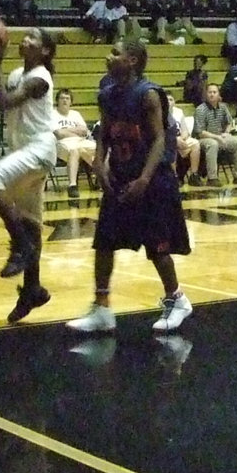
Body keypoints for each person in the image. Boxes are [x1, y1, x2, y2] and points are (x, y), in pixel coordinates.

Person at [67, 39, 194, 334]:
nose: (108, 56)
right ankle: (102, 308)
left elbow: (160, 139)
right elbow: (103, 133)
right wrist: (99, 163)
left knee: (158, 249)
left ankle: (177, 299)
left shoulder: (148, 95)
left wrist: (145, 179)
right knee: (104, 242)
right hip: (121, 178)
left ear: (133, 60)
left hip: (153, 181)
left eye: (115, 52)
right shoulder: (108, 94)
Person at [0, 27, 59, 323]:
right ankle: (33, 288)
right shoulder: (17, 73)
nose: (25, 40)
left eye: (33, 38)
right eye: (26, 36)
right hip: (25, 151)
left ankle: (20, 245)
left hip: (39, 149)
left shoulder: (40, 78)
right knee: (32, 222)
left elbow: (7, 102)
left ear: (44, 50)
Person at [193, 83, 237, 187]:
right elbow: (200, 132)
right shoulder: (200, 109)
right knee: (213, 144)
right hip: (204, 139)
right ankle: (212, 178)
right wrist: (217, 137)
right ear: (206, 94)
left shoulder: (223, 107)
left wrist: (226, 133)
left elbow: (230, 122)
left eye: (214, 92)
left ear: (218, 94)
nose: (212, 94)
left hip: (221, 136)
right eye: (210, 92)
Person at [54, 88, 97, 198]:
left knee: (99, 149)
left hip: (81, 141)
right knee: (74, 150)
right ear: (57, 101)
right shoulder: (52, 114)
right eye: (62, 98)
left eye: (67, 98)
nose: (65, 101)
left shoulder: (75, 114)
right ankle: (72, 185)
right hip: (62, 144)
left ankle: (106, 179)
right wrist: (75, 131)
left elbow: (84, 131)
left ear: (71, 102)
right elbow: (59, 133)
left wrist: (67, 131)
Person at [167, 91, 203, 186]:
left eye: (171, 100)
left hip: (181, 139)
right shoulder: (160, 113)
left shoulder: (179, 112)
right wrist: (175, 139)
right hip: (168, 140)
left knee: (195, 143)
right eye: (166, 100)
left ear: (174, 102)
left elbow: (185, 131)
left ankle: (194, 175)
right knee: (171, 145)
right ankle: (174, 177)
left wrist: (182, 139)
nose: (169, 102)